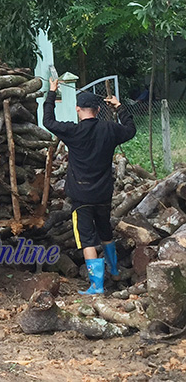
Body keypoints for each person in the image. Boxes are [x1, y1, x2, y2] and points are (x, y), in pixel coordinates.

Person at [43, 80, 136, 295]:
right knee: (106, 232)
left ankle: (96, 285)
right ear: (99, 110)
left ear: (77, 109)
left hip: (81, 195)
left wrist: (52, 92)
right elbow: (130, 130)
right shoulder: (110, 130)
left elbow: (48, 121)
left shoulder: (73, 131)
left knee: (87, 240)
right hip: (103, 193)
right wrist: (120, 107)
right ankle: (114, 272)